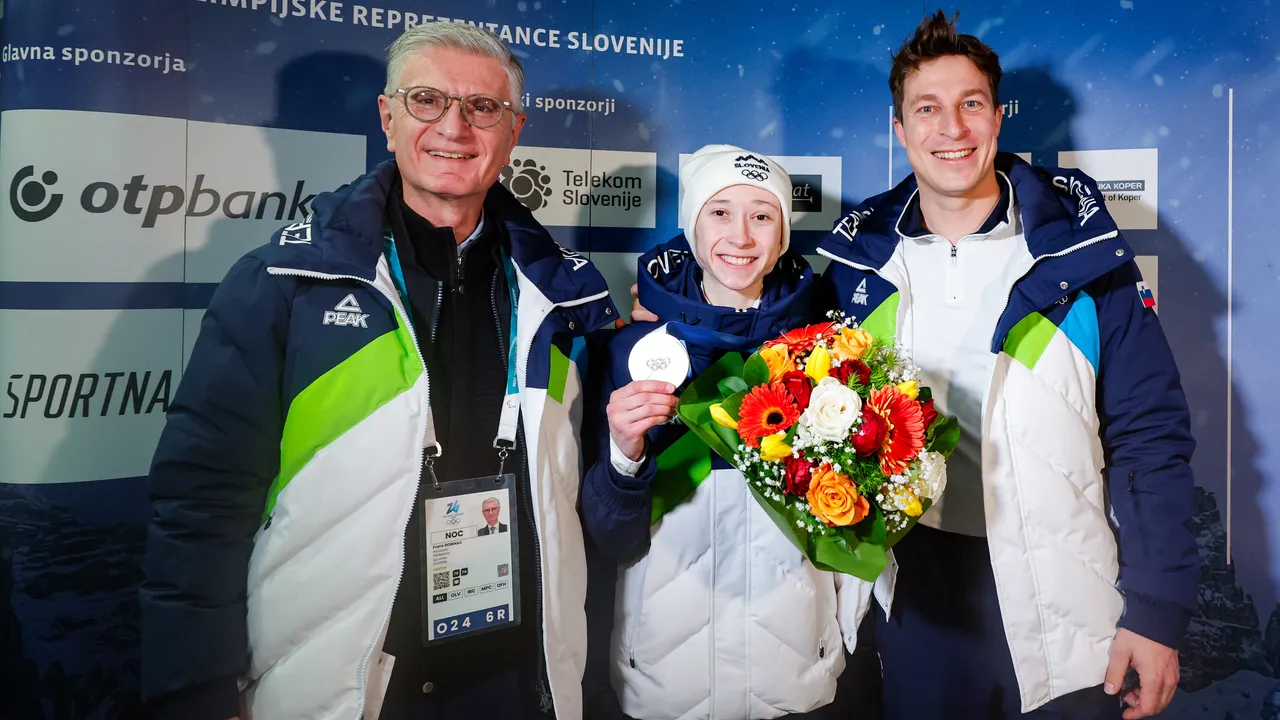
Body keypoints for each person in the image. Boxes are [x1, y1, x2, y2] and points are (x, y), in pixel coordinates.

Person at [139, 22, 617, 720]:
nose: (454, 127)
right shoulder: (285, 282)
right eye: (427, 100)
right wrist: (196, 691)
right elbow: (202, 500)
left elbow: (597, 495)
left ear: (514, 131)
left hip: (518, 679)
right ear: (388, 118)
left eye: (483, 108)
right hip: (349, 686)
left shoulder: (570, 298)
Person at [813, 11, 1200, 720]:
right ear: (900, 129)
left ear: (997, 117)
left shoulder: (1082, 256)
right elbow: (775, 361)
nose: (951, 128)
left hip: (1064, 590)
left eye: (971, 104)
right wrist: (659, 317)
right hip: (918, 594)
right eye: (927, 109)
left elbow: (1149, 434)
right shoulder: (855, 264)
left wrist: (1156, 609)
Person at [580, 145, 871, 720]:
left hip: (793, 672)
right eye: (719, 212)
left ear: (783, 236)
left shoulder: (825, 355)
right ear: (692, 227)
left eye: (762, 216)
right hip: (666, 676)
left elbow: (851, 527)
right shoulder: (631, 352)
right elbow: (610, 539)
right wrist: (624, 456)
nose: (740, 236)